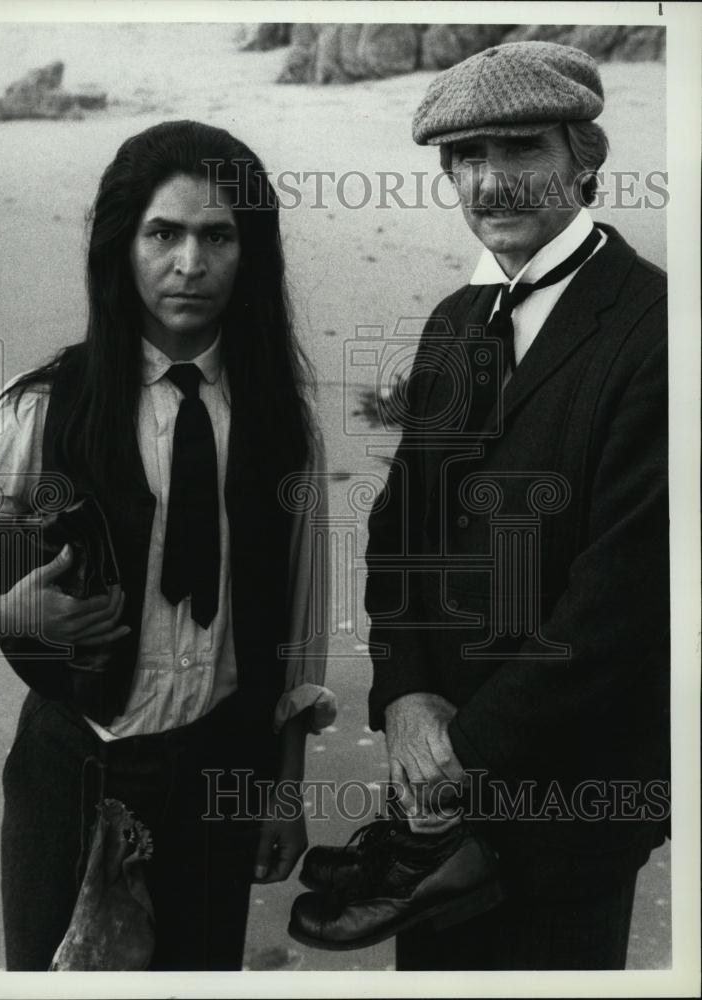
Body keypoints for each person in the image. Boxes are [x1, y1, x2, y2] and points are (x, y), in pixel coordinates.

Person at [291, 41, 669, 970]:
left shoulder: (660, 331)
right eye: (466, 156)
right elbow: (401, 532)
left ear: (585, 157)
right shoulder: (456, 323)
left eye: (523, 147)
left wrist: (459, 750)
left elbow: (625, 600)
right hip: (431, 809)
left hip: (570, 812)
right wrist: (403, 694)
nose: (492, 181)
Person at [0, 120, 334, 971]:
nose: (190, 264)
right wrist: (4, 609)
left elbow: (298, 628)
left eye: (218, 236)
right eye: (163, 234)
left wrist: (284, 789)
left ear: (251, 253)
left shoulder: (283, 427)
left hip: (218, 776)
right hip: (75, 770)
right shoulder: (43, 408)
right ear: (121, 248)